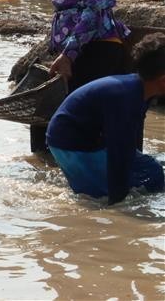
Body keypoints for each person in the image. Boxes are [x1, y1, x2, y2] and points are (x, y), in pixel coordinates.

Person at [46, 33, 165, 205]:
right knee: (100, 199)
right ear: (162, 80)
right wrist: (120, 205)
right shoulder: (125, 97)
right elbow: (119, 154)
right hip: (71, 144)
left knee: (152, 172)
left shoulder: (141, 90)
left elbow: (131, 140)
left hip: (90, 137)